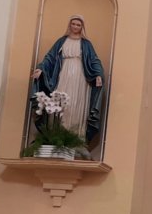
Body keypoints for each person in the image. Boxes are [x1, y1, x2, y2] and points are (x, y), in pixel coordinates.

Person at [31, 15, 104, 143]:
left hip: (81, 78)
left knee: (76, 104)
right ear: (69, 25)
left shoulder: (86, 44)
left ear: (82, 27)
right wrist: (41, 68)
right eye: (73, 24)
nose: (75, 26)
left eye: (78, 25)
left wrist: (98, 74)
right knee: (61, 102)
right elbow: (50, 57)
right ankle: (56, 136)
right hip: (63, 74)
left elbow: (94, 60)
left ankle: (75, 137)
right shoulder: (61, 41)